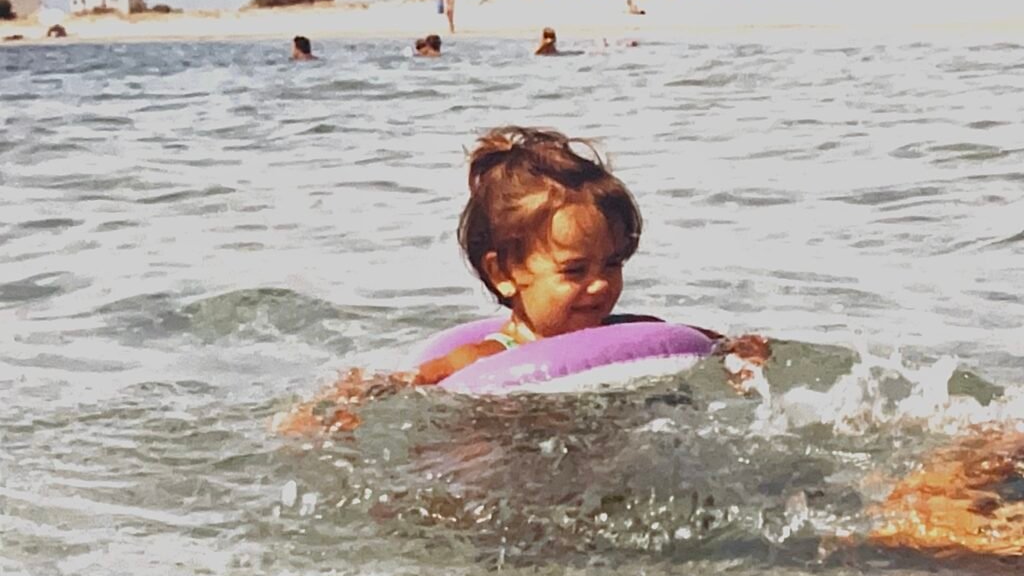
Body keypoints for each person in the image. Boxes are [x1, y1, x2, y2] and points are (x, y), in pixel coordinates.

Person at [274, 127, 770, 435]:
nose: (600, 287)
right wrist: (334, 408)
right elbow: (403, 383)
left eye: (613, 264)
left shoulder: (633, 329)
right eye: (575, 271)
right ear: (504, 273)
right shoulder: (489, 355)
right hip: (511, 460)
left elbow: (706, 342)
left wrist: (742, 353)